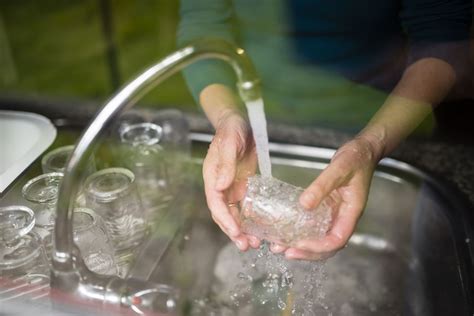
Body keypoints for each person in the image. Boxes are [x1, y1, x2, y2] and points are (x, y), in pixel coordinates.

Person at [177, 0, 472, 260]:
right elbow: (203, 26)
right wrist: (228, 119)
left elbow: (443, 37)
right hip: (265, 125)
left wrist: (371, 145)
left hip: (389, 121)